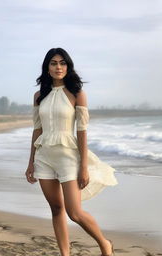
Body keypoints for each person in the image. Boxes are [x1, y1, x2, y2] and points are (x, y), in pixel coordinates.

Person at [25, 48, 118, 256]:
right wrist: (30, 162)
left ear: (68, 66)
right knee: (56, 209)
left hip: (68, 157)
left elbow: (82, 131)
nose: (58, 67)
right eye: (54, 63)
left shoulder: (77, 93)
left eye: (62, 63)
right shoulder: (39, 95)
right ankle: (64, 254)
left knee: (74, 212)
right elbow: (37, 129)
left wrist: (83, 166)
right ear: (47, 67)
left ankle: (104, 244)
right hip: (44, 157)